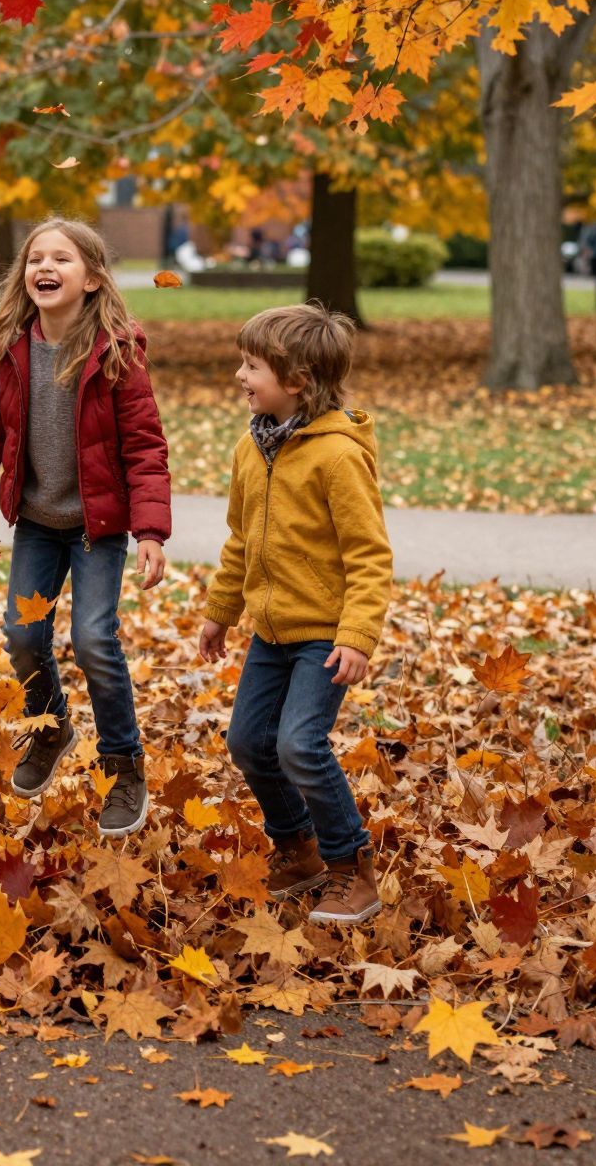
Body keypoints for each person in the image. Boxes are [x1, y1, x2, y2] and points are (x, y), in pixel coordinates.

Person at [0, 218, 172, 837]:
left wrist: (150, 532)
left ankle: (124, 765)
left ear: (91, 278)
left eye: (62, 259)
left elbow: (145, 447)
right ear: (25, 276)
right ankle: (51, 726)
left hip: (98, 529)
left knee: (94, 641)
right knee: (21, 633)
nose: (46, 266)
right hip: (38, 524)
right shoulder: (13, 350)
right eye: (36, 257)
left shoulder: (117, 352)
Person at [199, 304, 393, 925]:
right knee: (248, 742)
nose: (240, 375)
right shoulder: (250, 449)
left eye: (253, 365)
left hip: (325, 636)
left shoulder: (337, 456)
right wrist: (219, 612)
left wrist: (358, 635)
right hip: (270, 630)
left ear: (297, 380)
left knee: (299, 745)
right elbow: (240, 540)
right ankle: (299, 849)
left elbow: (369, 554)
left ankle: (349, 866)